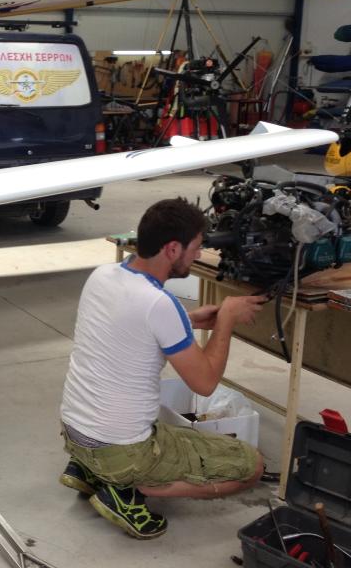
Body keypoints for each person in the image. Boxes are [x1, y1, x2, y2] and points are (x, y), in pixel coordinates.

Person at [59, 197, 267, 539]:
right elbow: (205, 383)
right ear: (172, 249)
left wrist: (188, 320)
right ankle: (124, 490)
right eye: (195, 248)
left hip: (75, 432)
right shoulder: (160, 304)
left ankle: (89, 469)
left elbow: (132, 325)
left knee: (161, 430)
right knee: (251, 465)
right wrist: (227, 320)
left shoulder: (103, 275)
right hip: (121, 451)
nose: (198, 256)